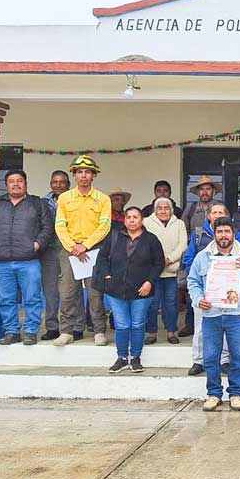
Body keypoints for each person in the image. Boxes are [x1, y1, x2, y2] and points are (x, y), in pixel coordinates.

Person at [187, 216, 240, 412]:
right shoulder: (203, 257)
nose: (223, 235)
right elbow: (193, 281)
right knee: (211, 356)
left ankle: (236, 394)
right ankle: (214, 394)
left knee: (238, 355)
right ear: (214, 234)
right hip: (211, 314)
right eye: (219, 231)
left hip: (237, 314)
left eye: (227, 231)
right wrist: (198, 299)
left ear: (233, 233)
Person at [0, 170, 53, 345]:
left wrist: (37, 245)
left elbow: (47, 228)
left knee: (32, 298)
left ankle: (30, 331)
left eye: (19, 181)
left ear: (25, 183)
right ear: (6, 185)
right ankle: (11, 332)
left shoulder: (37, 203)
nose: (15, 184)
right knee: (6, 300)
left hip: (29, 261)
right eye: (11, 181)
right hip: (1, 262)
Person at [95, 207, 164, 373]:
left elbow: (159, 263)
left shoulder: (151, 239)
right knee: (122, 325)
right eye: (129, 217)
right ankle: (122, 358)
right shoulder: (114, 236)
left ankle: (135, 357)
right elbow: (102, 258)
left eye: (135, 217)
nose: (132, 220)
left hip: (142, 290)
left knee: (138, 324)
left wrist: (149, 282)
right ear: (124, 220)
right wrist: (107, 276)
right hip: (116, 290)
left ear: (142, 220)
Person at [52, 155, 112, 347]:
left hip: (93, 250)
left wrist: (85, 245)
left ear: (93, 175)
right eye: (79, 172)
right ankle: (66, 331)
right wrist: (73, 247)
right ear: (74, 175)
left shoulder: (103, 199)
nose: (83, 175)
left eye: (87, 172)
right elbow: (60, 225)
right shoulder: (64, 198)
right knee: (67, 292)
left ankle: (99, 331)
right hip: (69, 250)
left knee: (95, 292)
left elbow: (104, 226)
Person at [184, 203, 240, 375]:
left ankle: (224, 360)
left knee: (225, 327)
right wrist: (201, 280)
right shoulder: (198, 234)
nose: (217, 215)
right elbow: (189, 259)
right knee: (200, 328)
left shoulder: (237, 235)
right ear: (208, 216)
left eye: (221, 212)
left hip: (227, 290)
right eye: (214, 212)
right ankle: (199, 360)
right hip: (204, 292)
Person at [40, 170, 79, 341]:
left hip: (70, 248)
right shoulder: (43, 203)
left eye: (62, 182)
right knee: (50, 290)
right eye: (55, 182)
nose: (58, 185)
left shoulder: (76, 199)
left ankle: (76, 326)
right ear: (50, 184)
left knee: (73, 288)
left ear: (68, 184)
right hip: (49, 249)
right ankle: (52, 327)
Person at [143, 197, 188, 345]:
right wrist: (157, 261)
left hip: (171, 271)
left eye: (166, 208)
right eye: (160, 208)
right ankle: (151, 333)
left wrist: (169, 259)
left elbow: (183, 245)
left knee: (171, 303)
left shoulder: (179, 223)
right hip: (152, 272)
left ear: (171, 210)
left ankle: (171, 332)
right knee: (152, 304)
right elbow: (143, 243)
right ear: (155, 210)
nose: (163, 211)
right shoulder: (146, 222)